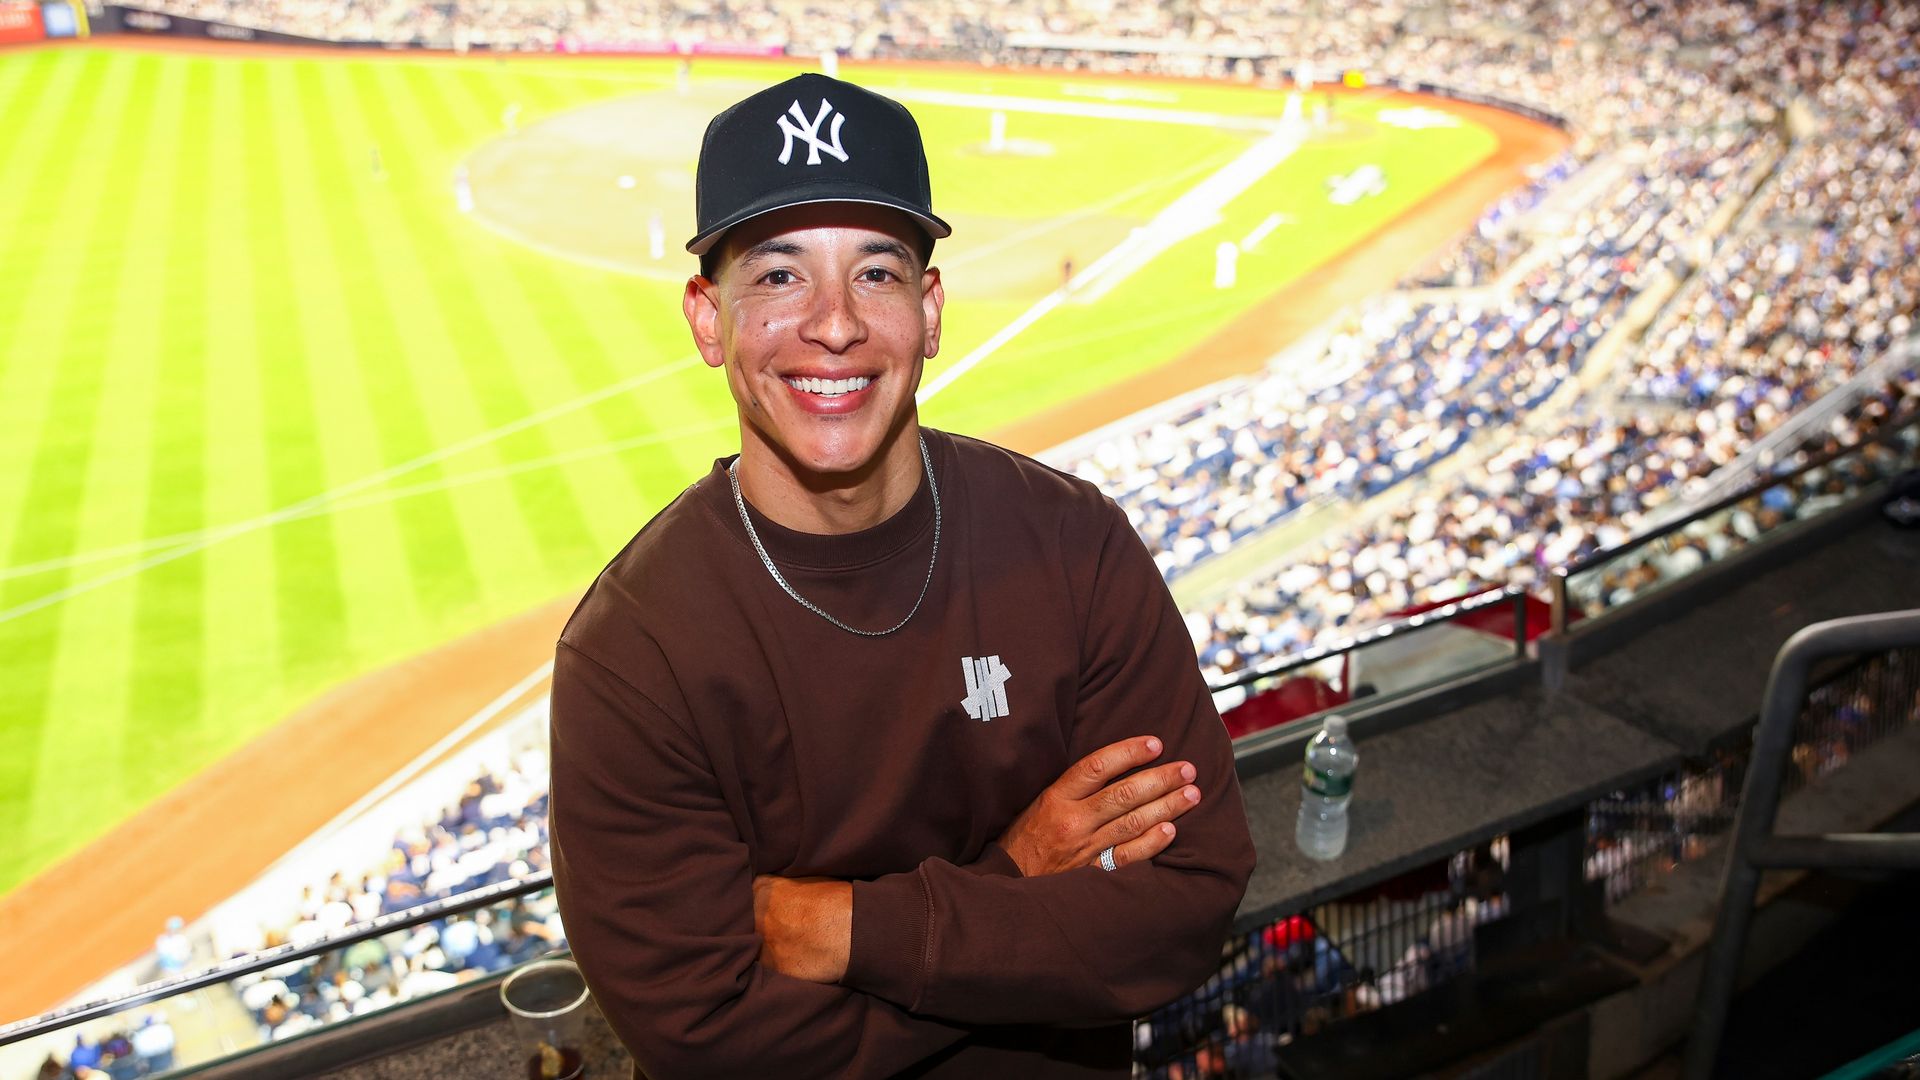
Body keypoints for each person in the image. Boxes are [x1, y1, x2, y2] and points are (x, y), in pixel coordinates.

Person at [549, 73, 1255, 1079]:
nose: (833, 324)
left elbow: (1187, 894)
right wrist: (1017, 876)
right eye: (779, 276)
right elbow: (713, 1043)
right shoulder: (634, 652)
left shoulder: (1072, 542)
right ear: (709, 320)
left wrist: (852, 932)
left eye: (876, 274)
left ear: (930, 311)